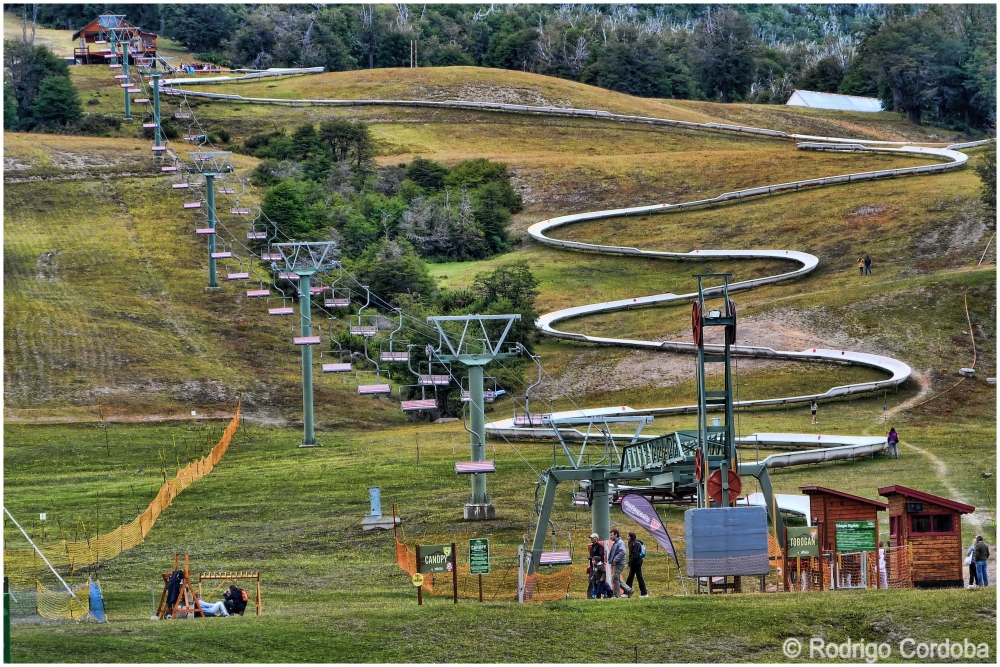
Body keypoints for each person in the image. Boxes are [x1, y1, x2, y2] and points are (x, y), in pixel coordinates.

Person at [608, 529, 633, 598]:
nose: (610, 537)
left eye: (611, 535)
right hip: (616, 563)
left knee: (615, 578)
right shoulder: (616, 543)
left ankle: (616, 595)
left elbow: (622, 552)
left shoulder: (620, 543)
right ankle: (629, 590)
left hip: (618, 563)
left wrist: (615, 560)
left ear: (616, 535)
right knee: (616, 579)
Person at [626, 532, 649, 598]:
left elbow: (634, 555)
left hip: (637, 563)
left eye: (628, 536)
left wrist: (629, 563)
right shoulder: (631, 543)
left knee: (639, 577)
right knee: (630, 578)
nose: (627, 538)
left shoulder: (635, 544)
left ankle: (644, 593)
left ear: (631, 537)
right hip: (634, 563)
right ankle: (627, 592)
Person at [587, 532, 606, 599]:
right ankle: (591, 595)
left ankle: (601, 594)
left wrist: (594, 559)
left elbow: (601, 557)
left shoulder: (600, 547)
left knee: (598, 581)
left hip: (598, 567)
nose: (591, 539)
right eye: (591, 538)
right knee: (592, 581)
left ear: (596, 538)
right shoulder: (592, 547)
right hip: (593, 567)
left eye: (592, 538)